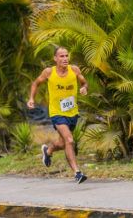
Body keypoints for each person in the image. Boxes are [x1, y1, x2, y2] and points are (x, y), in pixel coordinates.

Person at [27, 46, 88, 184]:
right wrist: (31, 98)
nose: (65, 59)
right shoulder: (49, 72)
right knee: (70, 140)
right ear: (55, 58)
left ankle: (48, 151)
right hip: (56, 113)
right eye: (61, 56)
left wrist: (84, 87)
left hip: (72, 112)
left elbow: (84, 82)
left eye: (66, 56)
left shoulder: (74, 70)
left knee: (63, 142)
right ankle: (77, 173)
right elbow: (35, 84)